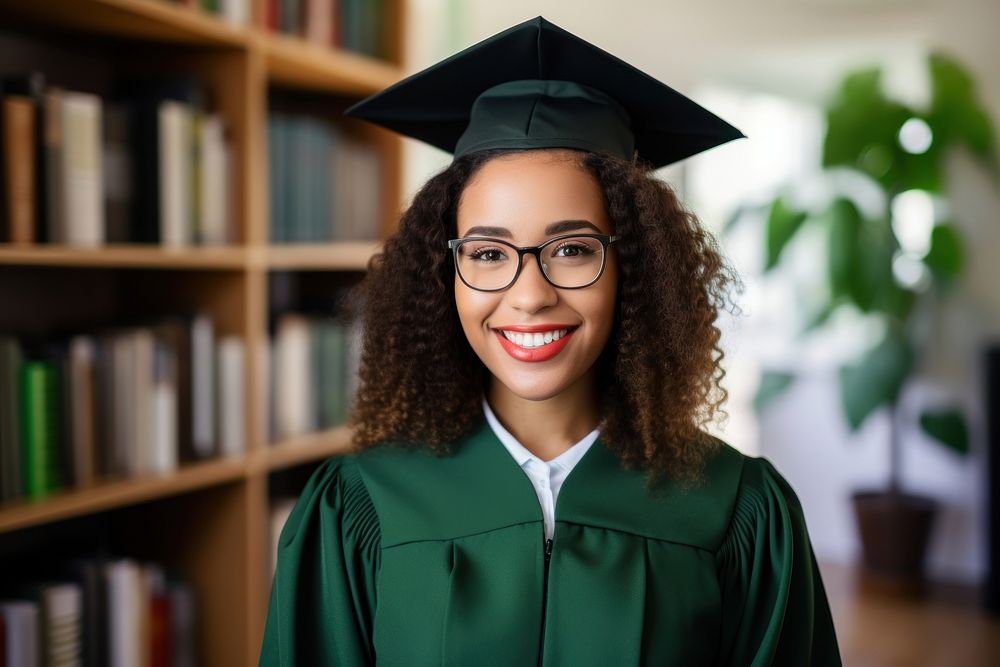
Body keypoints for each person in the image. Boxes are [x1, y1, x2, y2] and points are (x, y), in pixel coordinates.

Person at [258, 15, 842, 666]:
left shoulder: (735, 511)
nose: (530, 293)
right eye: (487, 252)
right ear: (443, 272)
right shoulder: (362, 509)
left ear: (636, 267)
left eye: (571, 248)